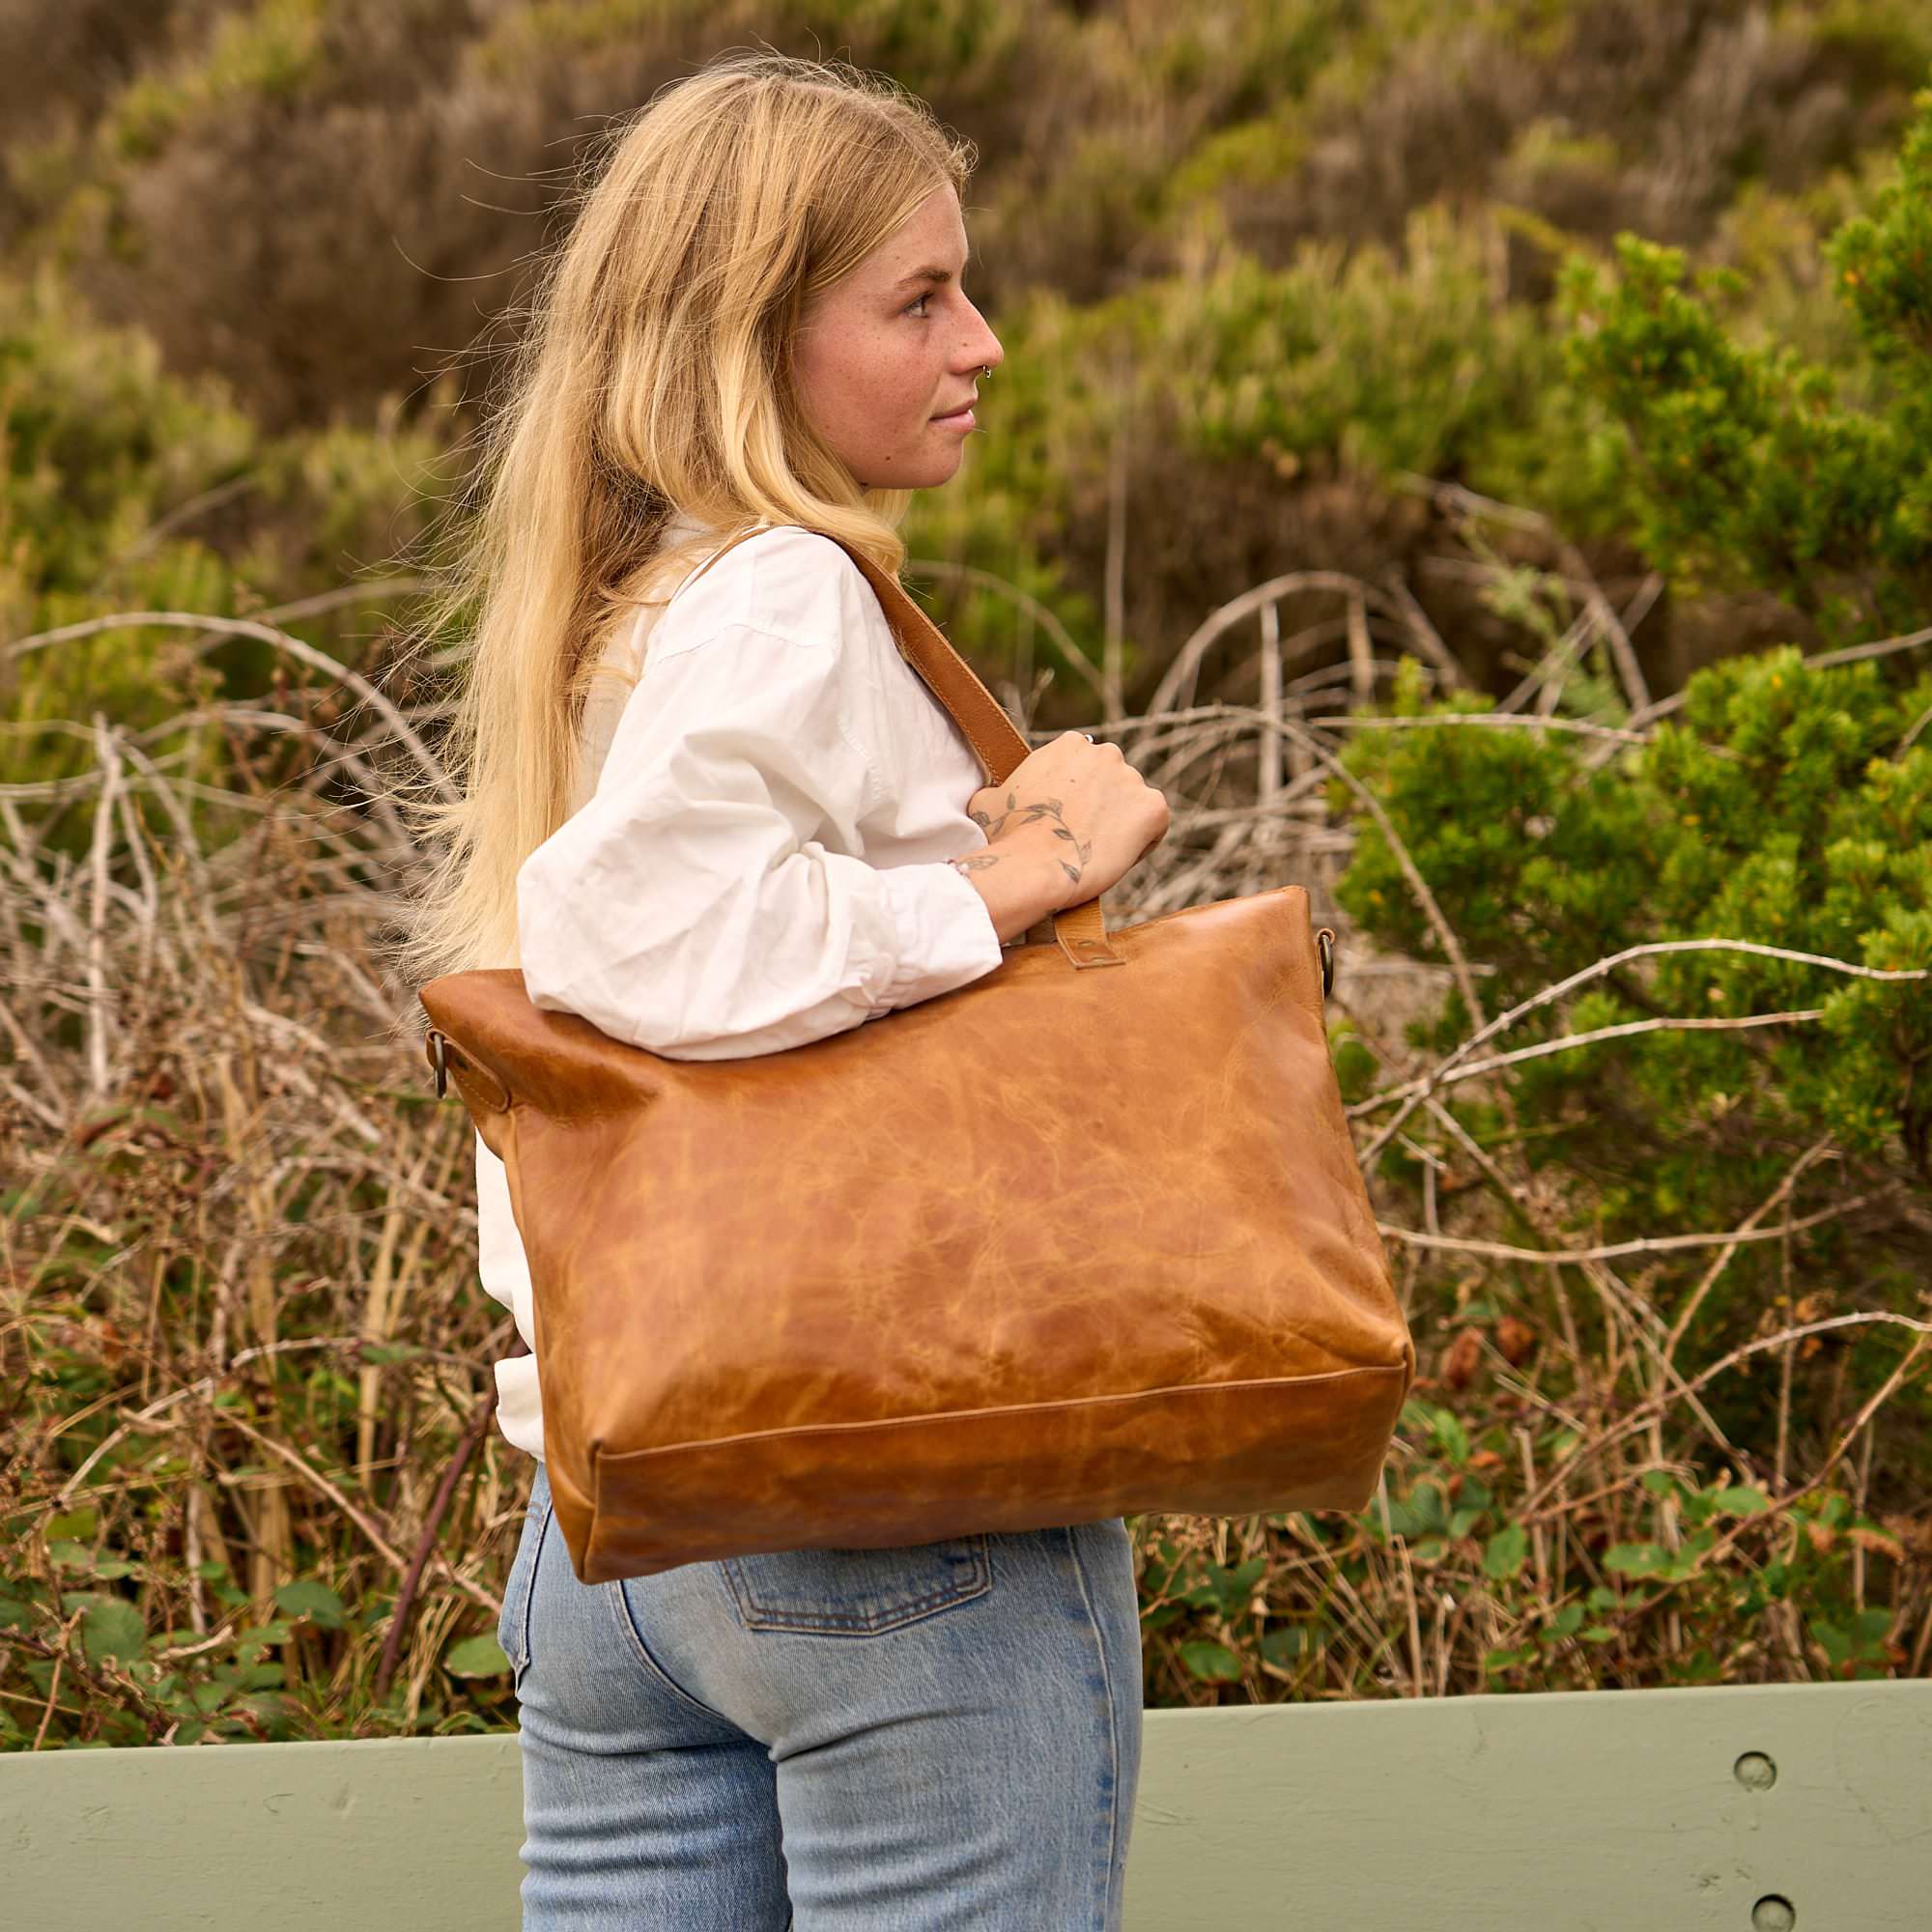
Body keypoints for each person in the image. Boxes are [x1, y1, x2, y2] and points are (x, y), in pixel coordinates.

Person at [395, 49, 1169, 1931]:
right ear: (748, 338)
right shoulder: (791, 589)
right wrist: (1012, 880)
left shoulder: (616, 602)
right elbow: (638, 931)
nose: (982, 341)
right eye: (918, 299)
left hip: (624, 1542)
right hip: (878, 1510)